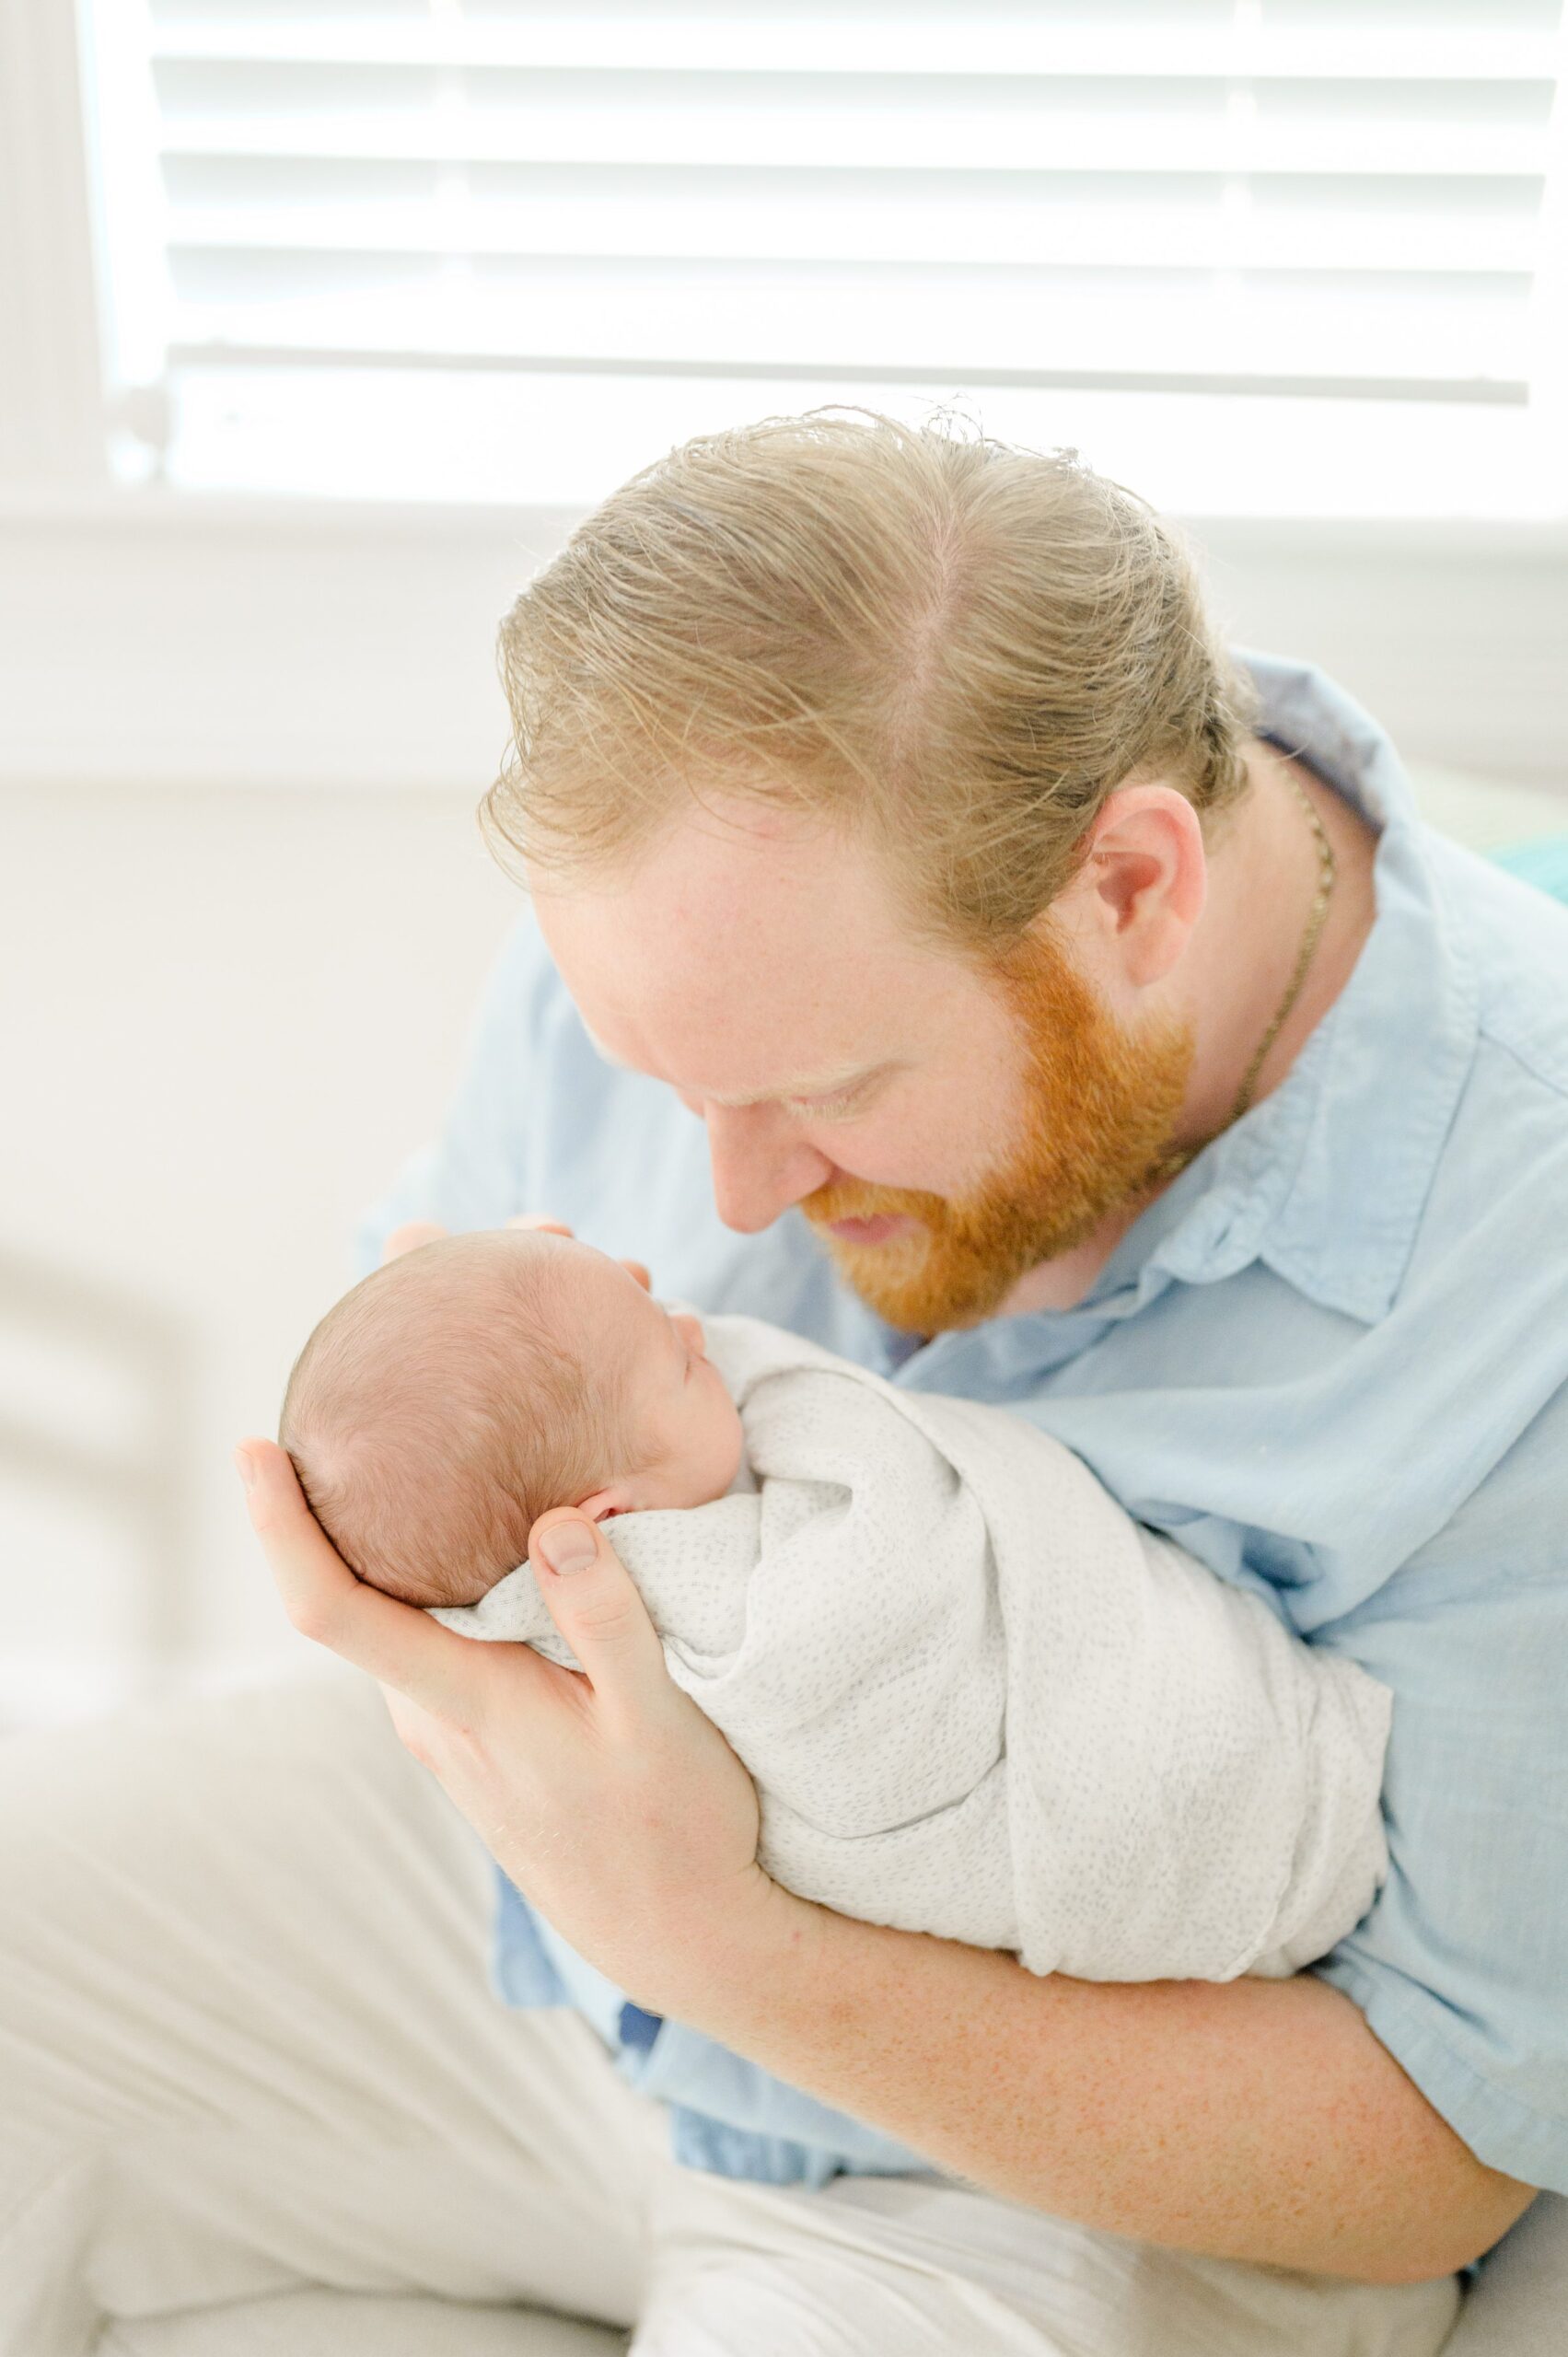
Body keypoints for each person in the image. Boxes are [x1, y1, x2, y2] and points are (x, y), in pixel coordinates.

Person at [7, 409, 1563, 2353]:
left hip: (1051, 2162)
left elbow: (1441, 2134)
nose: (726, 1188)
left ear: (1134, 889)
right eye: (673, 1083)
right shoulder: (703, 916)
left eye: (828, 1091)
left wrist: (717, 1938)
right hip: (517, 1920)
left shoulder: (1526, 1255)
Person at [276, 1225, 1393, 1983]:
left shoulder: (659, 1472)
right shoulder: (747, 1617)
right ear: (605, 1520)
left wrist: (546, 1295)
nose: (698, 1333)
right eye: (676, 1368)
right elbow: (872, 1643)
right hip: (1160, 1819)